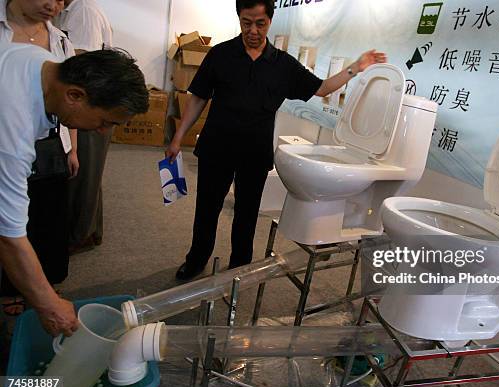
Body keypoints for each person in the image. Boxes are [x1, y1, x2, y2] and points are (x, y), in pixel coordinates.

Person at [166, 0, 387, 280]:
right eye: (247, 22)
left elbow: (321, 88)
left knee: (246, 215)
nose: (253, 30)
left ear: (270, 21)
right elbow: (198, 97)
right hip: (216, 147)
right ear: (239, 19)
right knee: (207, 209)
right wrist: (178, 138)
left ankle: (239, 267)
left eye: (260, 23)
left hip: (254, 152)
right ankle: (196, 259)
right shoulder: (220, 55)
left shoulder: (283, 65)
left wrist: (355, 67)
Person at [0, 43, 149, 336]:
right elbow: (9, 236)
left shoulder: (41, 62)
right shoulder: (13, 134)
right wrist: (48, 304)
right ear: (75, 96)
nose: (104, 131)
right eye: (106, 121)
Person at [0, 0, 78, 315]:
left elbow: (74, 98)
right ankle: (10, 291)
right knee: (10, 219)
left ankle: (43, 285)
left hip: (50, 143)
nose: (54, 5)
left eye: (63, 0)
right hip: (8, 134)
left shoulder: (60, 40)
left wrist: (72, 148)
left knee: (47, 217)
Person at [55, 0, 113, 253]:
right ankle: (90, 232)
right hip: (91, 106)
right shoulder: (75, 10)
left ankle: (78, 236)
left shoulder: (83, 12)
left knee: (83, 174)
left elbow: (80, 68)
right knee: (90, 173)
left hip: (90, 108)